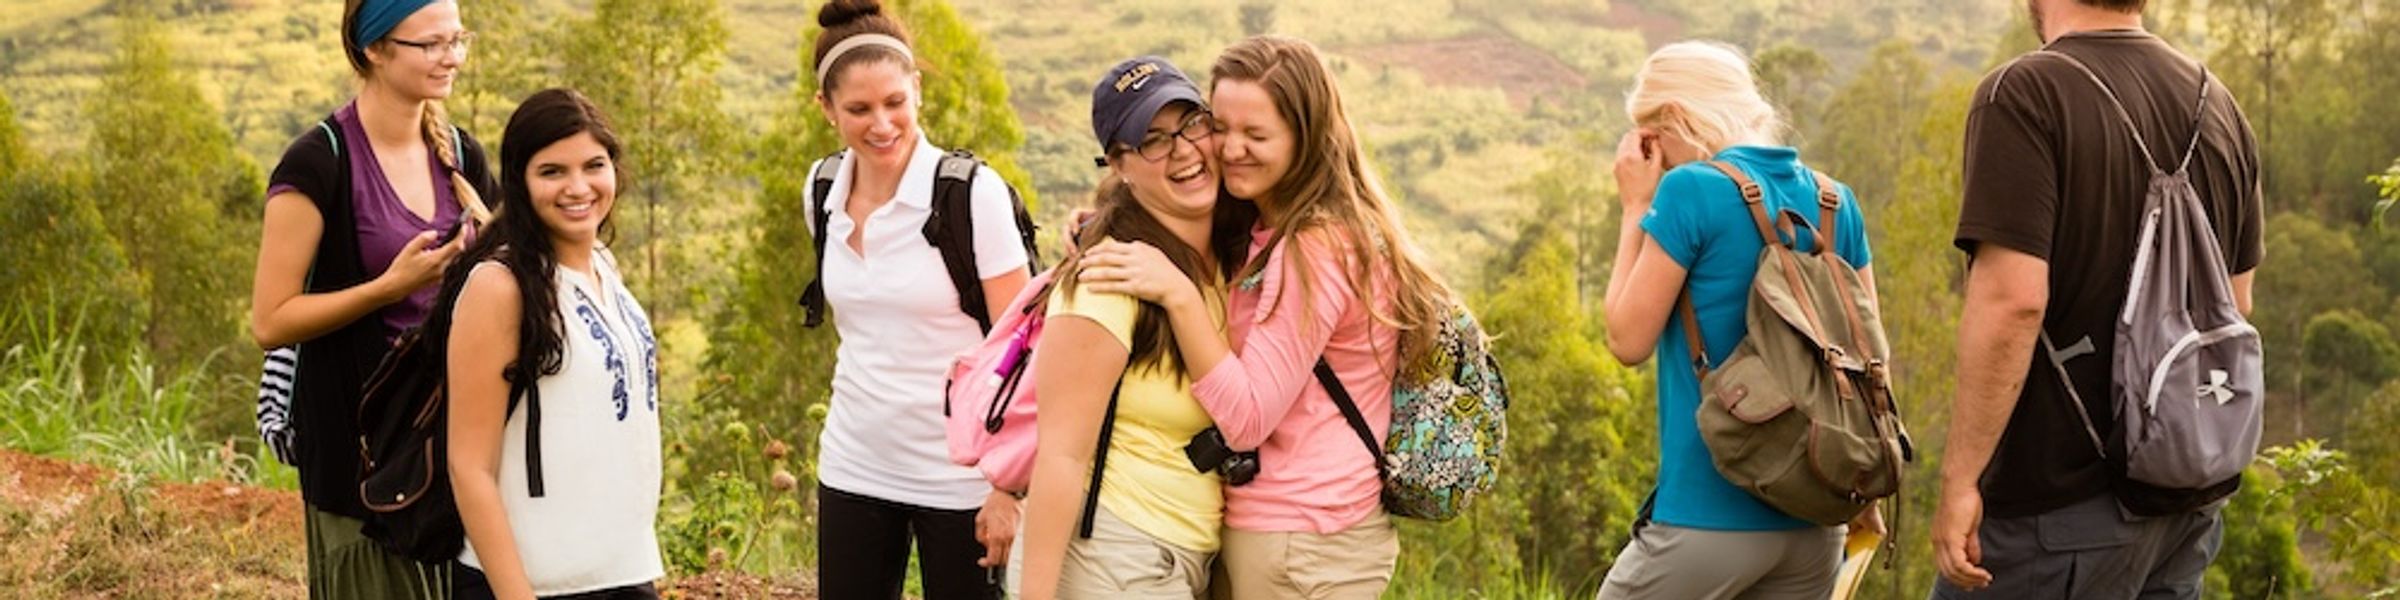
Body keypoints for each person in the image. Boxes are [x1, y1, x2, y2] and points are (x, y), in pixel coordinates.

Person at [1076, 34, 1450, 599]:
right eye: (1219, 127)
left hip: (1304, 540)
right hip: (1278, 535)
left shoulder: (1317, 248)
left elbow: (1248, 420)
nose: (1229, 150)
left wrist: (1177, 294)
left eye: (1256, 135)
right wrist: (1104, 227)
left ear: (1306, 139)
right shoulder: (1268, 225)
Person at [1930, 0, 2261, 597]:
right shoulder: (2220, 103)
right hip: (2186, 498)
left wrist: (1959, 480)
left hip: (2055, 513)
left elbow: (2014, 303)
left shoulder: (2023, 93)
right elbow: (2236, 305)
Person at [1592, 41, 1881, 600]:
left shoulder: (1690, 190)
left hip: (1705, 520)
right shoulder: (1835, 201)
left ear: (1676, 119)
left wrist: (1634, 207)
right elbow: (1869, 364)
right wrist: (1862, 492)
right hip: (1816, 523)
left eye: (1651, 142)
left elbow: (1626, 339)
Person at [250, 0, 493, 596]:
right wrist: (390, 288)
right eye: (431, 44)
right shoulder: (318, 161)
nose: (452, 57)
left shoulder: (462, 155)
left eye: (458, 40)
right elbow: (271, 321)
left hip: (447, 450)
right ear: (375, 50)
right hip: (358, 459)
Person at [799, 1, 1033, 597]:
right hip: (854, 464)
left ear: (917, 91)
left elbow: (1026, 349)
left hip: (961, 481)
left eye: (894, 103)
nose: (882, 124)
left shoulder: (971, 195)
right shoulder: (821, 189)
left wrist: (1007, 486)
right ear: (825, 109)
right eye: (859, 109)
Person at [1013, 56, 1251, 600]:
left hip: (1184, 555)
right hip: (1113, 556)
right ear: (1119, 164)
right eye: (1153, 140)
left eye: (1192, 123)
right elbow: (1061, 455)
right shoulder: (1107, 278)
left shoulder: (1227, 255)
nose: (1184, 150)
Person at [445, 88, 663, 600]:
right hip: (533, 583)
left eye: (594, 165)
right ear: (519, 180)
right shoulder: (499, 286)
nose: (578, 187)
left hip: (621, 572)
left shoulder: (604, 267)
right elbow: (469, 465)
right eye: (552, 172)